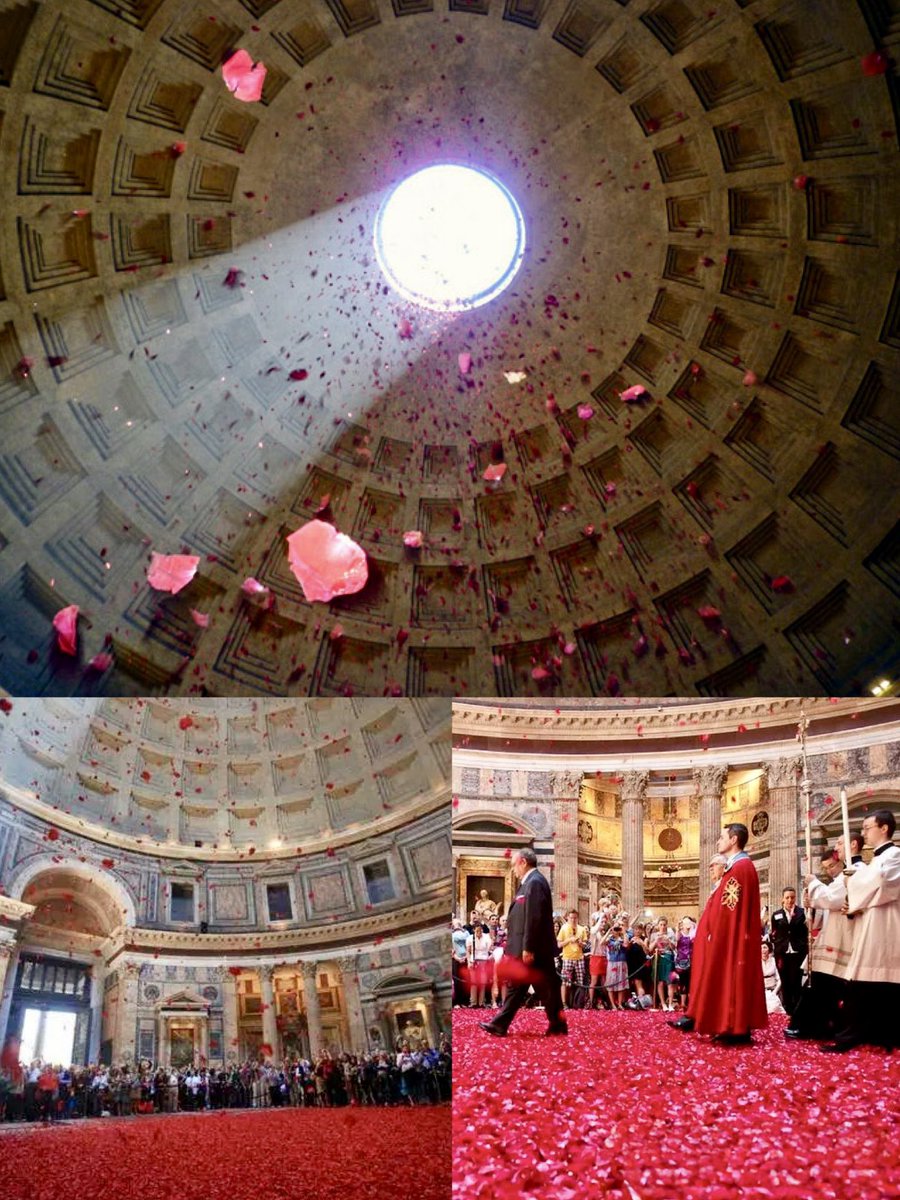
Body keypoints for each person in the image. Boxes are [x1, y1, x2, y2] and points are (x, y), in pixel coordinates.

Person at [674, 825, 767, 1044]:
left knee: (732, 980)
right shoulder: (738, 868)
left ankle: (735, 1028)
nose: (718, 841)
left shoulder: (740, 868)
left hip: (731, 938)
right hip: (729, 937)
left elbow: (728, 910)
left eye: (722, 837)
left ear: (734, 840)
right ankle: (731, 1026)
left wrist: (716, 934)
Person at [822, 809, 900, 1052]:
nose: (864, 832)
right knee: (863, 981)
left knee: (878, 981)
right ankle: (860, 1035)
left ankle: (875, 1036)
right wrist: (854, 902)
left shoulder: (895, 855)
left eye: (868, 827)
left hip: (886, 925)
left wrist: (853, 885)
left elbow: (882, 883)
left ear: (884, 828)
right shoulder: (876, 860)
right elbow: (868, 885)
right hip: (871, 922)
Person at [478, 848, 566, 1037]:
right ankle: (501, 1024)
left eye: (514, 866)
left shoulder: (534, 883)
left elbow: (533, 918)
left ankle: (556, 1025)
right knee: (525, 987)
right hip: (528, 948)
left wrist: (528, 947)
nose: (513, 870)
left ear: (523, 862)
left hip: (533, 949)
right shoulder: (529, 883)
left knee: (546, 988)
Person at [786, 847, 853, 1040]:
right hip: (829, 937)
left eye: (832, 866)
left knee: (823, 987)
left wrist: (814, 883)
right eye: (826, 868)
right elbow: (819, 918)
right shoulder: (833, 883)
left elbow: (832, 900)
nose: (830, 871)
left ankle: (812, 1025)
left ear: (841, 861)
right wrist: (812, 907)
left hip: (842, 939)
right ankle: (812, 1025)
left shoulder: (848, 878)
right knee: (818, 985)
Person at [770, 886, 809, 1015]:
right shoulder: (776, 915)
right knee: (785, 982)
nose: (790, 900)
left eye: (792, 897)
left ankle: (797, 1011)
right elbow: (774, 933)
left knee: (796, 982)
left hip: (798, 952)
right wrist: (777, 945)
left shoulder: (802, 913)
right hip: (782, 953)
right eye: (787, 897)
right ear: (783, 899)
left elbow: (806, 931)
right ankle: (788, 1010)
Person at [557, 908, 588, 1009]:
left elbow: (584, 945)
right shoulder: (564, 928)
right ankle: (564, 1003)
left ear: (577, 918)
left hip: (579, 958)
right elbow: (559, 944)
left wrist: (580, 943)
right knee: (565, 982)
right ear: (567, 918)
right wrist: (569, 940)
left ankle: (579, 1003)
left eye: (575, 918)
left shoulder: (582, 929)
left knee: (581, 981)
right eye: (571, 918)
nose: (573, 920)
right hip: (567, 958)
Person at [761, 942, 785, 1014]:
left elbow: (779, 979)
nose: (763, 950)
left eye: (765, 947)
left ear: (769, 949)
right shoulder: (756, 962)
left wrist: (775, 991)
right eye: (761, 948)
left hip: (773, 990)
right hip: (761, 991)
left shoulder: (773, 961)